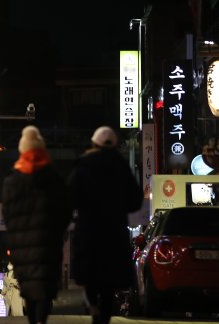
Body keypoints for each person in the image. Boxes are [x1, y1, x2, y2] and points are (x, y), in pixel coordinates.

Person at [66, 126, 143, 324]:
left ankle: (93, 307)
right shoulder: (121, 166)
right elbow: (135, 200)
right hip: (114, 231)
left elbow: (69, 198)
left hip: (88, 230)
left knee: (90, 276)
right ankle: (105, 318)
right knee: (109, 280)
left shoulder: (83, 165)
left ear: (94, 143)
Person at [2, 125, 73, 324]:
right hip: (48, 240)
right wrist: (58, 229)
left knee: (27, 284)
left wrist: (15, 232)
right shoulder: (55, 178)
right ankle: (42, 319)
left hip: (21, 243)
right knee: (45, 284)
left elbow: (7, 213)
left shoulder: (12, 181)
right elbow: (66, 210)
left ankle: (33, 319)